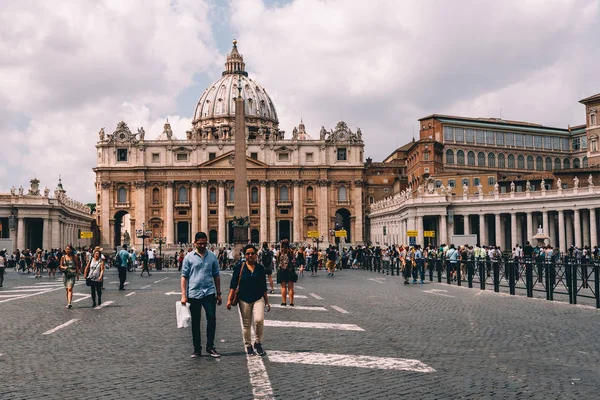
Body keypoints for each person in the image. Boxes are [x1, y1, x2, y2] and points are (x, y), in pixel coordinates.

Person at [181, 232, 222, 358]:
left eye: (205, 243)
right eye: (200, 243)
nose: (203, 245)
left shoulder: (212, 256)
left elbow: (216, 275)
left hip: (209, 292)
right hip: (194, 293)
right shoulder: (188, 257)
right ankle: (197, 349)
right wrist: (183, 295)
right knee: (196, 322)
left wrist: (219, 293)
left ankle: (210, 346)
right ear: (195, 243)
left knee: (211, 319)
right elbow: (184, 277)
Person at [226, 244, 270, 356]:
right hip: (243, 298)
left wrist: (267, 301)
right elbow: (233, 284)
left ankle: (258, 343)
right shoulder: (239, 267)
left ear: (256, 255)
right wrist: (229, 299)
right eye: (248, 254)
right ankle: (248, 345)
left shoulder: (260, 268)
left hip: (258, 297)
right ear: (244, 255)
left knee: (259, 320)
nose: (250, 255)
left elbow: (263, 286)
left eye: (252, 253)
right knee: (246, 324)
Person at [277, 239, 297, 306]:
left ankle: (284, 302)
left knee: (283, 287)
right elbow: (294, 259)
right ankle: (291, 302)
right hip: (290, 270)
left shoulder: (279, 252)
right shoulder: (291, 251)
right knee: (291, 287)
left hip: (282, 270)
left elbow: (277, 260)